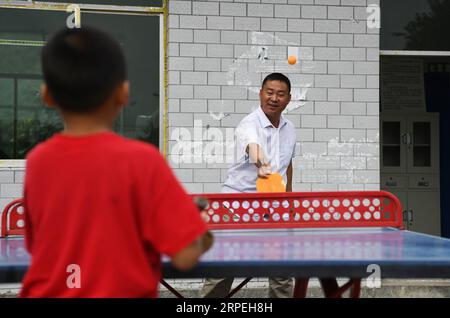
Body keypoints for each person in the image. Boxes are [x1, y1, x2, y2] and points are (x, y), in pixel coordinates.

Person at [20, 27, 213, 298]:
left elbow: (37, 245)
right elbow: (185, 256)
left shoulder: (37, 162)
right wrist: (200, 226)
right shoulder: (143, 161)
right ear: (123, 93)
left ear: (47, 95)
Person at [200, 73, 296, 298]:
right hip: (235, 208)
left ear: (288, 99)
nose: (274, 98)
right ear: (261, 94)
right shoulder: (248, 124)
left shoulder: (290, 129)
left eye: (280, 94)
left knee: (282, 272)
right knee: (222, 271)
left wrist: (288, 198)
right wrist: (262, 164)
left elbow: (288, 164)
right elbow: (253, 148)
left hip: (273, 210)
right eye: (269, 92)